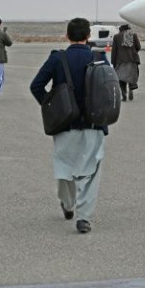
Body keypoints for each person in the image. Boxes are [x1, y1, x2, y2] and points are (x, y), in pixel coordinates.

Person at [29, 17, 109, 234]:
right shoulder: (99, 58)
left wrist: (52, 106)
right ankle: (84, 218)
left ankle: (67, 204)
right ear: (88, 36)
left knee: (64, 167)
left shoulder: (57, 59)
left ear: (67, 36)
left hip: (65, 124)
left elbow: (36, 85)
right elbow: (110, 87)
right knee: (90, 172)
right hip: (94, 123)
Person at [111, 24, 141, 101]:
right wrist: (133, 52)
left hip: (120, 60)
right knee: (131, 76)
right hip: (132, 60)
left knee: (121, 78)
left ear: (120, 29)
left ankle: (124, 94)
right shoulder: (133, 35)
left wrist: (113, 62)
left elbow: (114, 50)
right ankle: (131, 89)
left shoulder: (117, 36)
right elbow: (138, 47)